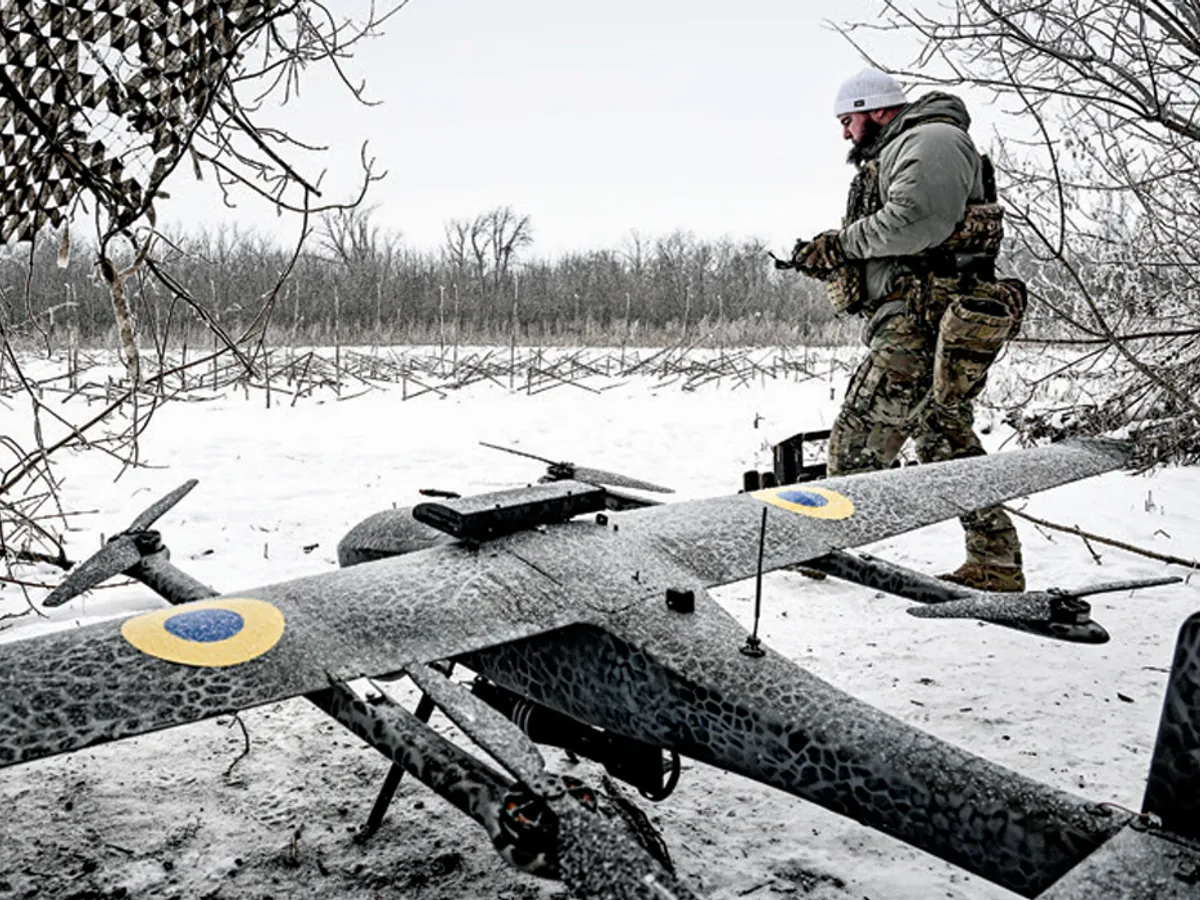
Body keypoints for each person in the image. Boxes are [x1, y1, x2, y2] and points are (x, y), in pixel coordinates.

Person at [789, 67, 1028, 592]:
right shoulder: (907, 146)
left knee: (857, 439)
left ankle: (817, 549)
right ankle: (996, 561)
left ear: (875, 110)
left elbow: (917, 221)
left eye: (848, 120)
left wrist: (843, 243)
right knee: (943, 437)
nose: (845, 133)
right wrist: (834, 256)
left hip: (920, 323)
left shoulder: (933, 138)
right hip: (922, 318)